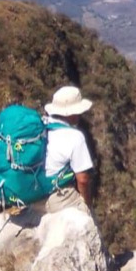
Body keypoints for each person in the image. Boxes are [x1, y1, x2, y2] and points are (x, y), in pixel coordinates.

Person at [42, 86, 95, 214]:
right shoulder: (75, 136)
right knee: (92, 230)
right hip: (57, 197)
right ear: (72, 113)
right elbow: (82, 179)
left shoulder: (41, 125)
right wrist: (87, 207)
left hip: (33, 193)